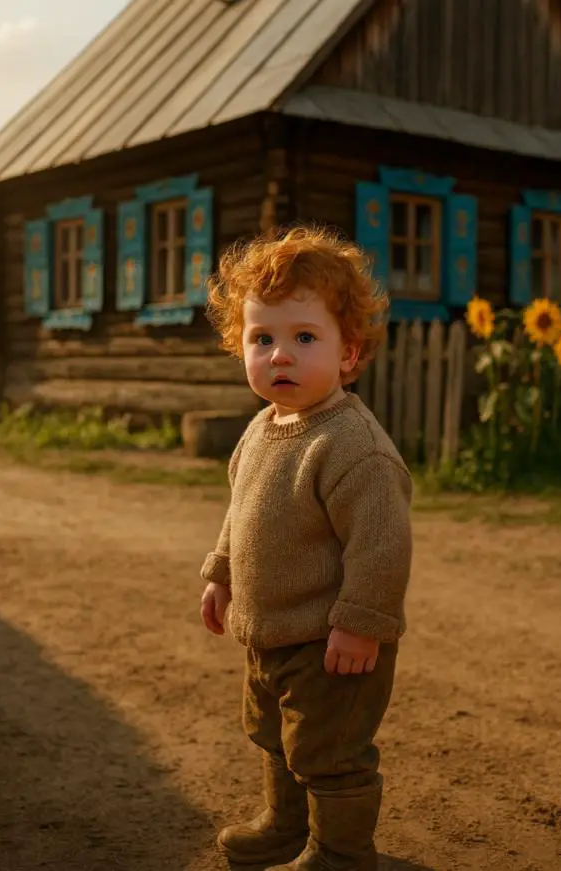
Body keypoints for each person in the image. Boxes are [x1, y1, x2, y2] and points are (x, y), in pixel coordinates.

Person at [199, 226, 413, 871]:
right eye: (262, 339)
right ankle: (286, 824)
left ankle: (342, 852)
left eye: (304, 338)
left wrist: (360, 626)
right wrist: (221, 574)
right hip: (269, 633)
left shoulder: (354, 448)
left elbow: (382, 545)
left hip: (332, 646)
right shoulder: (264, 427)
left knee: (330, 750)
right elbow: (242, 512)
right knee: (275, 736)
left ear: (349, 354)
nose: (279, 356)